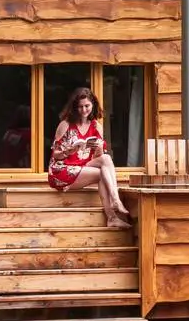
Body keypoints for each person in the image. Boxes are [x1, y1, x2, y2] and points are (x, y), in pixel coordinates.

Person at [46, 86, 132, 229]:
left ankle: (115, 201)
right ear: (74, 107)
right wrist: (69, 151)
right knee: (101, 174)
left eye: (87, 106)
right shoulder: (65, 125)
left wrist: (98, 149)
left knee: (106, 159)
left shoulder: (96, 126)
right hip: (61, 170)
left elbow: (99, 157)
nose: (84, 110)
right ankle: (112, 215)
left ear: (93, 105)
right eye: (80, 107)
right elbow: (55, 154)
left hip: (82, 167)